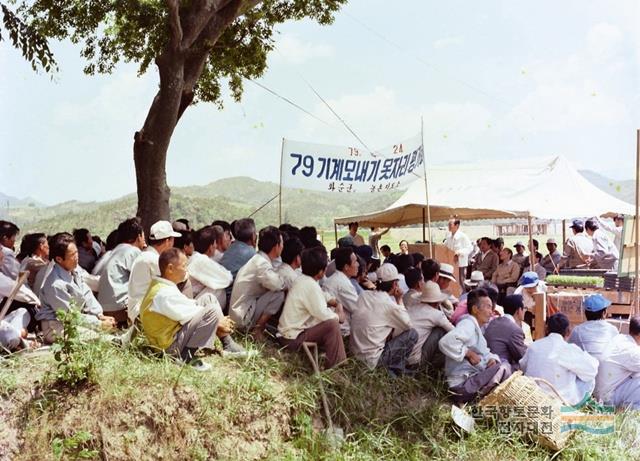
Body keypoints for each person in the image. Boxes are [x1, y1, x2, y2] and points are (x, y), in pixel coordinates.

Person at [139, 248, 226, 371]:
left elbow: (185, 306)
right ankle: (187, 357)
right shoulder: (164, 293)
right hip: (168, 347)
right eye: (184, 266)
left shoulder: (163, 285)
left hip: (173, 333)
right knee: (212, 311)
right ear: (170, 269)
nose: (186, 269)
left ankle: (226, 343)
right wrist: (219, 321)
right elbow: (188, 314)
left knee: (208, 299)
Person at [37, 233, 116, 344]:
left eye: (76, 252)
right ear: (59, 259)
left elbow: (87, 294)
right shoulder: (55, 284)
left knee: (102, 328)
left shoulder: (74, 270)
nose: (77, 257)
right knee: (93, 336)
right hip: (57, 326)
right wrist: (98, 324)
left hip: (78, 319)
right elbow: (69, 316)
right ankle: (118, 342)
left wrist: (99, 315)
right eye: (72, 255)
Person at [439, 288, 512, 404]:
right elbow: (446, 342)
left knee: (501, 362)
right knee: (504, 367)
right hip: (461, 387)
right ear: (475, 309)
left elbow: (483, 352)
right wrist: (468, 353)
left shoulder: (476, 326)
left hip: (466, 383)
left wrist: (491, 359)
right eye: (488, 307)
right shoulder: (468, 324)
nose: (491, 312)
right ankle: (479, 400)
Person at [277, 247, 347, 369]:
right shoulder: (310, 285)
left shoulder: (303, 279)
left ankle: (335, 362)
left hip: (288, 335)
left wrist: (334, 302)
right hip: (292, 339)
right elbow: (325, 315)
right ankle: (337, 367)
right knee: (332, 324)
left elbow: (321, 294)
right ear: (321, 272)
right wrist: (339, 314)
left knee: (331, 322)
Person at [350, 263, 418, 376]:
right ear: (395, 284)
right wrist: (399, 299)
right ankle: (395, 371)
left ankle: (393, 371)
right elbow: (408, 325)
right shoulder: (388, 304)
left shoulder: (364, 295)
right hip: (373, 362)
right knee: (412, 334)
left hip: (355, 357)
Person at [520, 313, 599, 406]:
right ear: (568, 332)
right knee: (589, 378)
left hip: (534, 398)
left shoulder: (534, 346)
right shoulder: (568, 349)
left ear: (546, 329)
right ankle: (573, 408)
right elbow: (592, 369)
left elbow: (523, 366)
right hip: (560, 402)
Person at [229, 226, 285, 339]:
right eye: (282, 243)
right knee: (278, 294)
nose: (283, 247)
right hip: (242, 318)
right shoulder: (262, 264)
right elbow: (278, 285)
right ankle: (257, 330)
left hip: (240, 312)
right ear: (276, 247)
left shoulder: (258, 259)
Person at [128, 220, 180, 321]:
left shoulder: (147, 256)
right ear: (167, 242)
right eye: (173, 240)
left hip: (139, 309)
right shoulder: (154, 260)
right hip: (142, 312)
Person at [97, 217, 146, 325]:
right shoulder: (133, 251)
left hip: (103, 307)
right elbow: (145, 279)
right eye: (143, 236)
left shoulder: (114, 251)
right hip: (120, 309)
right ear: (139, 237)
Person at [595, 315, 640, 409]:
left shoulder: (620, 338)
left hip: (603, 393)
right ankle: (631, 408)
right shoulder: (632, 351)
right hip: (608, 399)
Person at [407, 282, 454, 371]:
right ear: (437, 302)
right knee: (440, 331)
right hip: (415, 362)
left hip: (401, 358)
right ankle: (431, 369)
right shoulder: (436, 315)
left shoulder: (412, 308)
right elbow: (453, 331)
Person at [188, 225, 234, 310]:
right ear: (210, 247)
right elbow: (227, 279)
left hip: (192, 300)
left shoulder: (196, 257)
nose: (216, 246)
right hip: (191, 306)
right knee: (218, 288)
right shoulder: (201, 260)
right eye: (215, 243)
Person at [483, 294, 528, 372]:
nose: (525, 311)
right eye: (524, 308)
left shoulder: (494, 321)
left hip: (488, 365)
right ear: (518, 311)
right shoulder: (515, 329)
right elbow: (523, 357)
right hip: (500, 370)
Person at [568, 294, 619, 361]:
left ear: (585, 313)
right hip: (607, 369)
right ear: (604, 313)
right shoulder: (612, 330)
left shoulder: (577, 330)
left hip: (585, 368)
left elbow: (570, 350)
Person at [322, 247, 359, 335]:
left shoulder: (336, 278)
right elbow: (358, 308)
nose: (358, 264)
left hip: (332, 328)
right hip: (342, 332)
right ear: (346, 267)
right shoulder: (342, 283)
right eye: (355, 262)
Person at [444, 218, 472, 287]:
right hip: (450, 263)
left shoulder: (463, 236)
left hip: (460, 264)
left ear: (457, 225)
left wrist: (459, 252)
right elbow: (445, 247)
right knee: (452, 282)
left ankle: (463, 296)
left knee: (461, 282)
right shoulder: (448, 237)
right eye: (448, 224)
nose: (449, 226)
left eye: (451, 224)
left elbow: (470, 248)